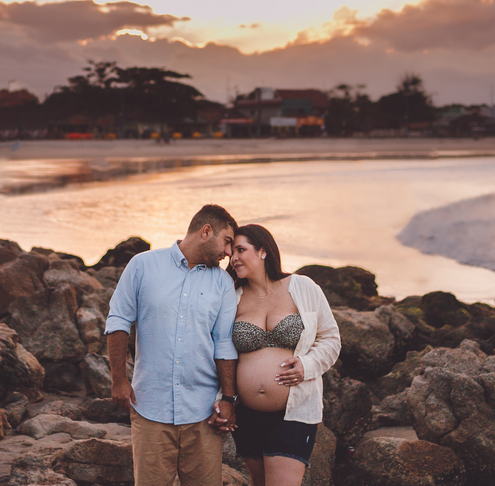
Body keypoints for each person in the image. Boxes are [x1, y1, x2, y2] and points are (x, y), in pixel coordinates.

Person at [105, 204, 241, 486]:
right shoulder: (143, 265)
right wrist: (118, 379)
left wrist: (228, 399)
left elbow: (224, 344)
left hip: (202, 414)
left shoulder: (223, 284)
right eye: (227, 242)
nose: (229, 253)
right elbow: (118, 321)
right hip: (150, 409)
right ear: (206, 231)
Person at [228, 224, 340, 486]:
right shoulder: (232, 297)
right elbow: (220, 352)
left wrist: (307, 365)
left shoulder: (302, 287)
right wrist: (223, 399)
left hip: (294, 412)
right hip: (245, 415)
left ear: (263, 251)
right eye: (231, 252)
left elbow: (331, 339)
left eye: (240, 250)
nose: (233, 258)